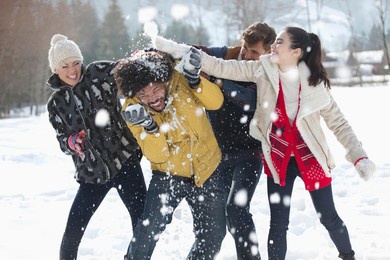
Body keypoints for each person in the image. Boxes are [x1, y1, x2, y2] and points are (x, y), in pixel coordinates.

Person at [153, 26, 376, 260]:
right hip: (278, 159)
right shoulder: (263, 68)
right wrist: (175, 49)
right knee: (278, 224)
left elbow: (339, 124)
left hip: (311, 159)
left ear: (296, 52)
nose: (273, 46)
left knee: (328, 217)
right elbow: (222, 66)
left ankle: (348, 256)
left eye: (279, 42)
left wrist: (358, 156)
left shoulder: (314, 85)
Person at [113, 49, 227, 260]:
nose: (152, 98)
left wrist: (196, 82)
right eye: (143, 95)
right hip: (168, 174)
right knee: (147, 234)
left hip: (207, 169)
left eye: (156, 90)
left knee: (213, 235)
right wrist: (149, 127)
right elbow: (158, 156)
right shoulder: (133, 109)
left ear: (164, 80)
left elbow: (216, 102)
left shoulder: (181, 79)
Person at [46, 34, 147, 260]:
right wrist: (72, 142)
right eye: (65, 66)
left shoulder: (98, 73)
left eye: (75, 63)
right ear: (55, 69)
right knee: (73, 231)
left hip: (124, 161)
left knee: (142, 224)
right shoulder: (56, 104)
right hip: (91, 173)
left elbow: (127, 72)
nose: (73, 70)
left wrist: (141, 58)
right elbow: (62, 140)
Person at [194, 22, 276, 260]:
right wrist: (160, 51)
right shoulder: (227, 54)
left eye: (255, 53)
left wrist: (218, 80)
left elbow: (248, 100)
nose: (247, 56)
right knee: (212, 219)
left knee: (237, 210)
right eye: (247, 49)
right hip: (217, 154)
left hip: (249, 152)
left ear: (268, 52)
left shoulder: (267, 71)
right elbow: (196, 51)